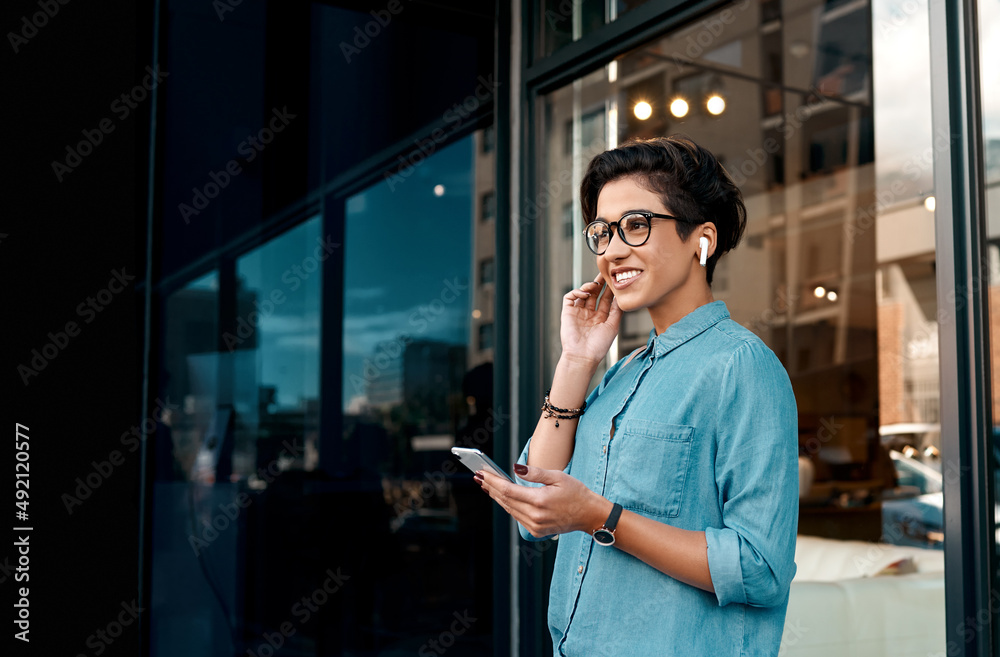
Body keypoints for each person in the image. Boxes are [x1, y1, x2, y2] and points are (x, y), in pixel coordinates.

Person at [476, 136, 799, 656]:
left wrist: (601, 518)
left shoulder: (741, 366)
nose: (612, 251)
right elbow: (538, 502)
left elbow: (759, 569)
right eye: (602, 233)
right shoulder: (621, 373)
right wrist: (577, 361)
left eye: (636, 225)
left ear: (703, 239)